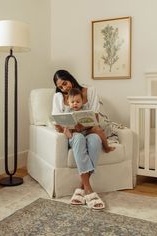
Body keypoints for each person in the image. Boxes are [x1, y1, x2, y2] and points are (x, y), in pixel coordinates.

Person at [52, 69, 106, 210]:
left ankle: (81, 188)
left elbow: (96, 118)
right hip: (73, 134)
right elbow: (57, 121)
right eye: (61, 87)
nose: (64, 88)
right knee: (79, 139)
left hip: (89, 130)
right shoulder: (58, 97)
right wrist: (68, 128)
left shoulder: (91, 91)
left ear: (70, 78)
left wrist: (85, 124)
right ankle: (88, 189)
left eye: (65, 83)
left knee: (95, 140)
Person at [63, 88, 115, 153]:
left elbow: (91, 122)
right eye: (72, 102)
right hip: (75, 132)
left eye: (78, 102)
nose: (75, 104)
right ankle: (71, 139)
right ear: (68, 102)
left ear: (82, 101)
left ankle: (106, 147)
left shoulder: (85, 109)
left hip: (86, 131)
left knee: (98, 129)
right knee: (67, 129)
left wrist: (87, 125)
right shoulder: (67, 111)